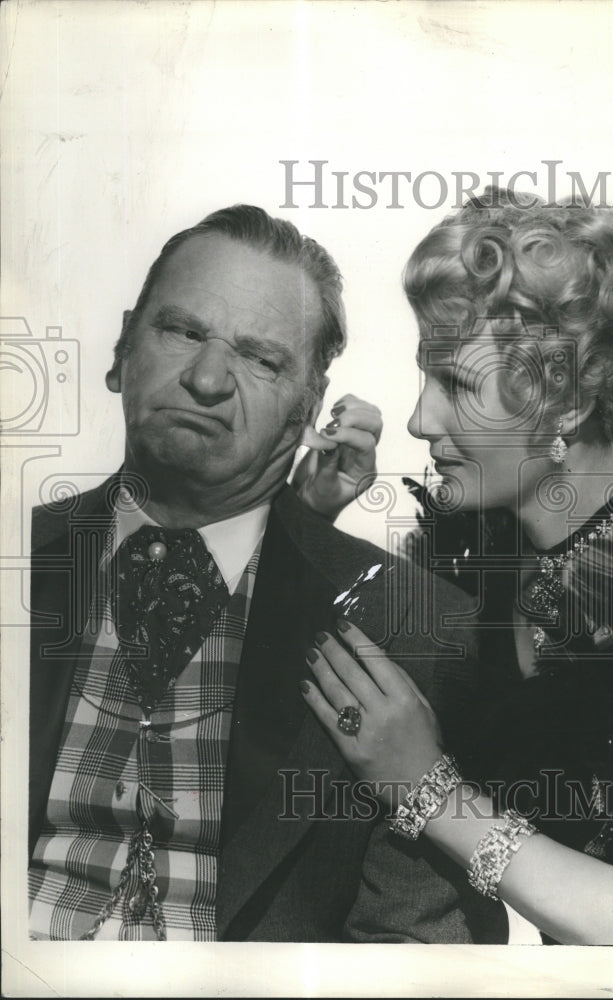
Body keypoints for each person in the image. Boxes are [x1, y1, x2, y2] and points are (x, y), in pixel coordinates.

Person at [27, 204, 505, 943]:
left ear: (307, 408)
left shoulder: (416, 625)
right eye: (182, 331)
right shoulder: (21, 559)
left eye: (260, 358)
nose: (209, 377)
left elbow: (414, 953)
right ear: (122, 348)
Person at [300, 189, 613, 945]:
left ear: (562, 402)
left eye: (457, 385)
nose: (417, 419)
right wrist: (309, 519)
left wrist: (427, 790)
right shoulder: (474, 572)